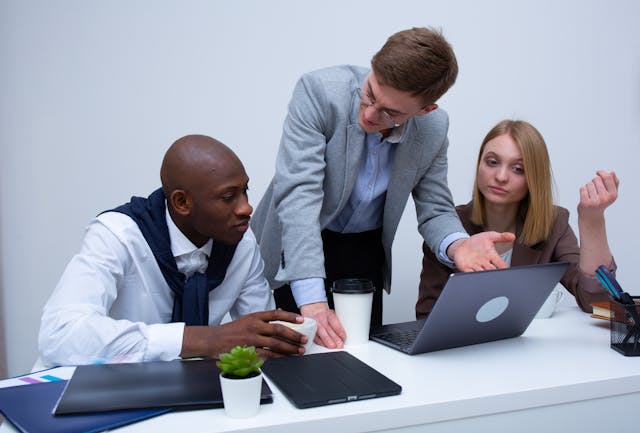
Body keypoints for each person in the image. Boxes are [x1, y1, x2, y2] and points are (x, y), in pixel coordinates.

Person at [250, 27, 514, 349]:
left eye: (391, 112)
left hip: (364, 251)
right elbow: (299, 196)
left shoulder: (433, 127)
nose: (370, 113)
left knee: (360, 359)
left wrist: (459, 246)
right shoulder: (318, 92)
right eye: (370, 93)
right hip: (296, 243)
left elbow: (436, 208)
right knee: (286, 358)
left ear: (425, 109)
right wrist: (314, 303)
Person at [38, 135, 307, 366]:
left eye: (245, 191)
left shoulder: (242, 243)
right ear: (181, 202)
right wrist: (202, 339)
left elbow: (259, 338)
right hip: (102, 391)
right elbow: (59, 334)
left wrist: (283, 340)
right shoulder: (118, 236)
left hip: (193, 393)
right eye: (228, 197)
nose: (246, 208)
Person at [416, 120, 619, 319]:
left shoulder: (554, 223)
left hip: (526, 350)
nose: (501, 176)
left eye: (518, 169)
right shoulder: (447, 228)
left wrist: (592, 221)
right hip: (464, 348)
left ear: (534, 178)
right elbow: (426, 318)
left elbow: (595, 302)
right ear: (479, 163)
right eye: (492, 162)